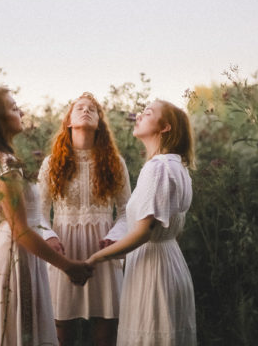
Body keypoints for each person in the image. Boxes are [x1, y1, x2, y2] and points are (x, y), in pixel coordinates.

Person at [0, 88, 93, 346]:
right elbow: (20, 230)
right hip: (13, 265)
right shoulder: (5, 165)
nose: (20, 111)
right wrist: (68, 266)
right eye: (13, 108)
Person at [87, 99, 197, 346]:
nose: (138, 116)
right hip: (170, 262)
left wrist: (97, 257)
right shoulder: (178, 166)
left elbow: (144, 232)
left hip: (154, 270)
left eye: (147, 113)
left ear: (165, 127)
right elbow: (167, 228)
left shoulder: (158, 168)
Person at [38, 92, 131, 346]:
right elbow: (39, 213)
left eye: (92, 109)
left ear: (100, 122)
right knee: (61, 325)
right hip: (64, 251)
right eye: (79, 107)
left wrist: (115, 237)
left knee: (106, 324)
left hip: (103, 251)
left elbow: (126, 212)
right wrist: (49, 236)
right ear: (68, 121)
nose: (86, 110)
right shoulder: (51, 163)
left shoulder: (115, 163)